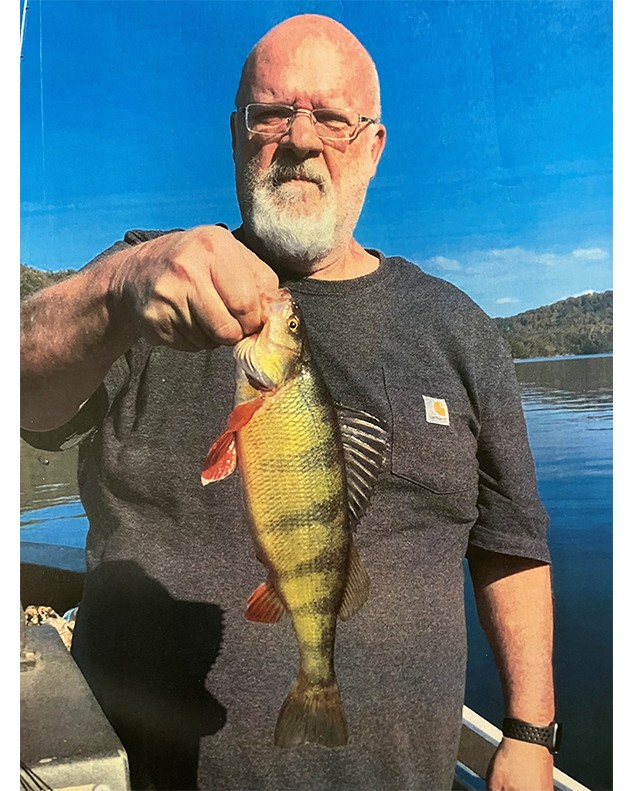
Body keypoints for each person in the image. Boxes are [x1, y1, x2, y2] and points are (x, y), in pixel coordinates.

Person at [20, 13, 557, 791]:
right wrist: (115, 292)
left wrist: (529, 732)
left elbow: (510, 541)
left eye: (332, 118)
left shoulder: (459, 327)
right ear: (238, 134)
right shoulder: (141, 281)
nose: (300, 139)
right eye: (272, 113)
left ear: (372, 148)